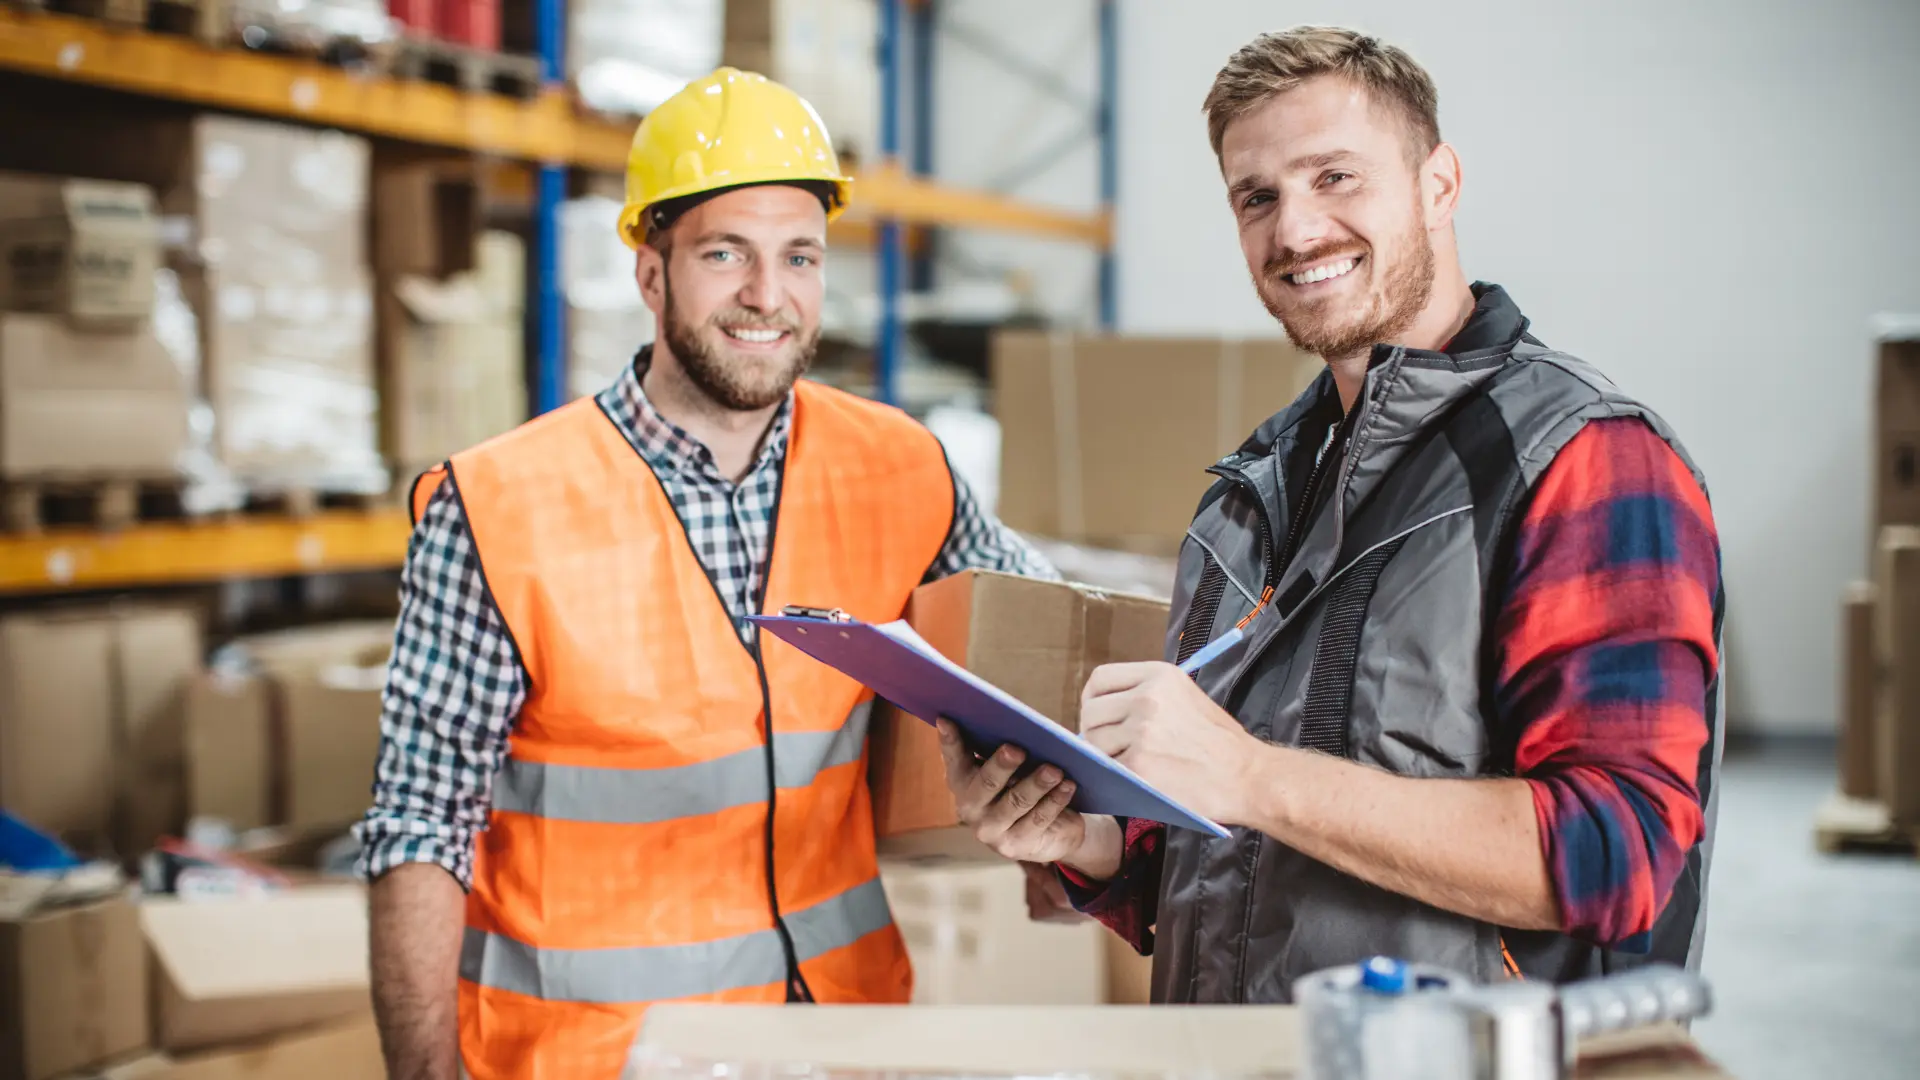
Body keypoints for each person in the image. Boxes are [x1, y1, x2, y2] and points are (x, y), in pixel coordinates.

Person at [939, 26, 1724, 1001]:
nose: (1296, 231)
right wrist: (1086, 844)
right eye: (1256, 197)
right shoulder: (1249, 491)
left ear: (1439, 184)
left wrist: (1253, 776)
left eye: (1335, 178)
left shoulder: (1582, 460)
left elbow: (1622, 855)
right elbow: (1220, 874)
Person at [355, 67, 1057, 1080]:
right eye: (726, 254)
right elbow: (419, 824)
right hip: (600, 1058)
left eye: (799, 257)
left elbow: (1036, 652)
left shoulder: (899, 468)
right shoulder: (498, 510)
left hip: (839, 1042)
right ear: (652, 273)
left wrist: (1073, 843)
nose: (767, 296)